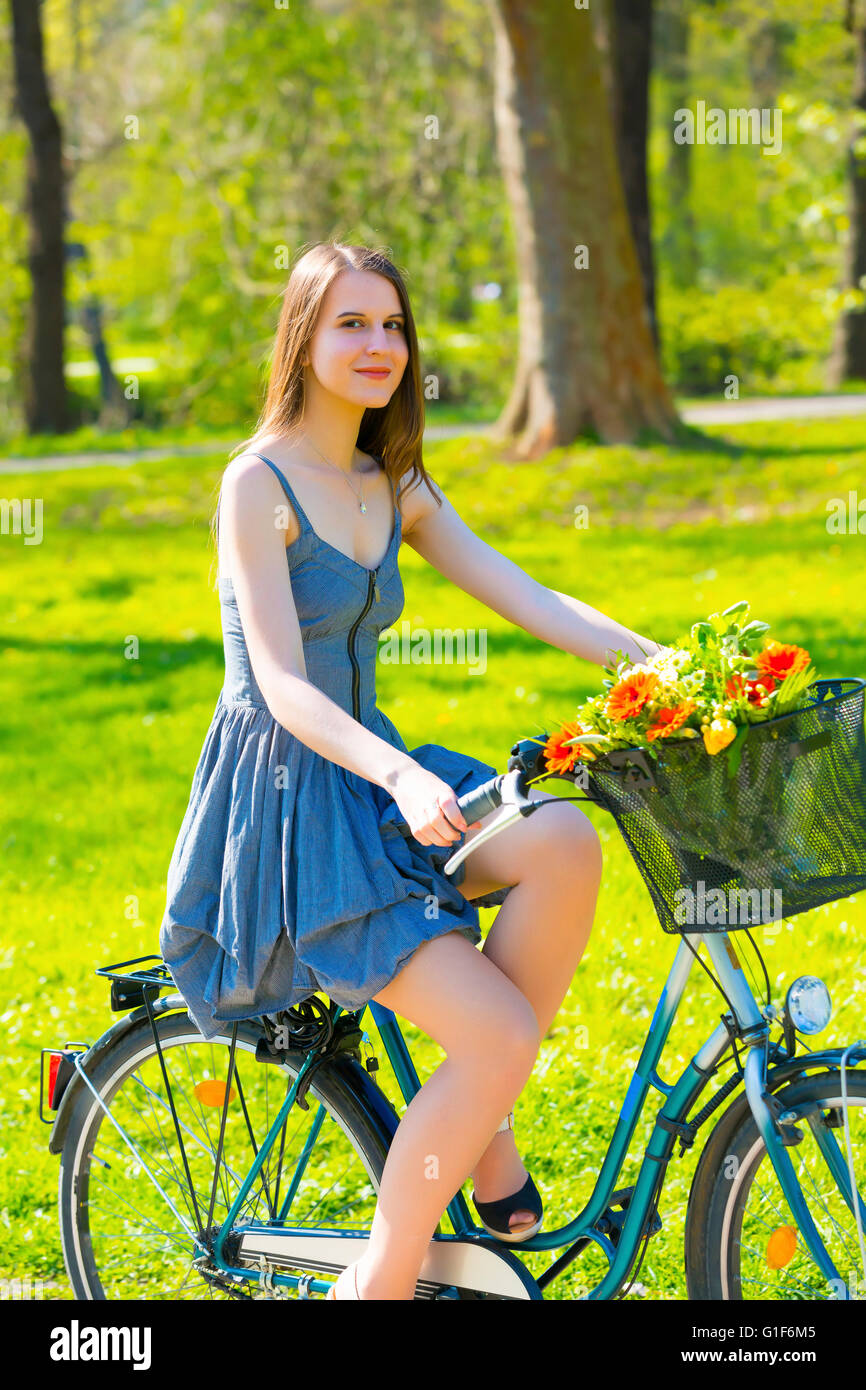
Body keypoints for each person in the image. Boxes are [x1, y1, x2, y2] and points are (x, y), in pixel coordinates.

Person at [159, 241, 663, 1300]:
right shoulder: (256, 484)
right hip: (295, 799)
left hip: (377, 769)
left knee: (564, 839)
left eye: (391, 325)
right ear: (302, 338)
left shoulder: (389, 479)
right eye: (350, 324)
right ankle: (383, 1281)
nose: (377, 345)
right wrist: (394, 775)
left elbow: (519, 591)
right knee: (496, 1032)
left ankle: (482, 1116)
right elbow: (280, 689)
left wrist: (661, 665)